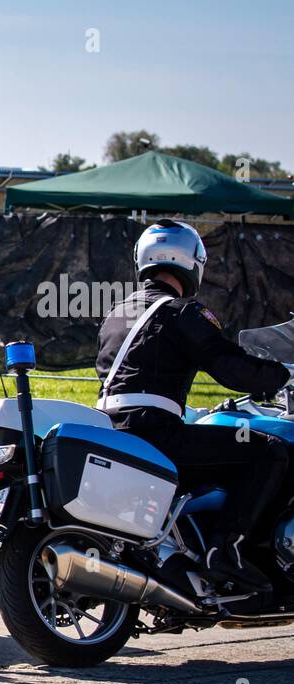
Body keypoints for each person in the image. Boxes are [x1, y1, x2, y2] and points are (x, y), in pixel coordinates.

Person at [96, 218, 291, 591]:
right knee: (269, 453)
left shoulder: (115, 316)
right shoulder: (183, 311)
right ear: (192, 261)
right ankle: (227, 551)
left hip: (112, 431)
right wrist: (281, 374)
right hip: (155, 432)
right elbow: (231, 367)